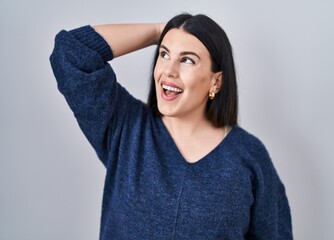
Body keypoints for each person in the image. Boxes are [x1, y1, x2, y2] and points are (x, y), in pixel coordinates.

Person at [50, 13, 293, 239]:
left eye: (187, 60)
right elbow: (70, 52)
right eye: (164, 54)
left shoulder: (249, 157)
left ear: (216, 81)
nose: (169, 70)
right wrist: (160, 31)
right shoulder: (127, 127)